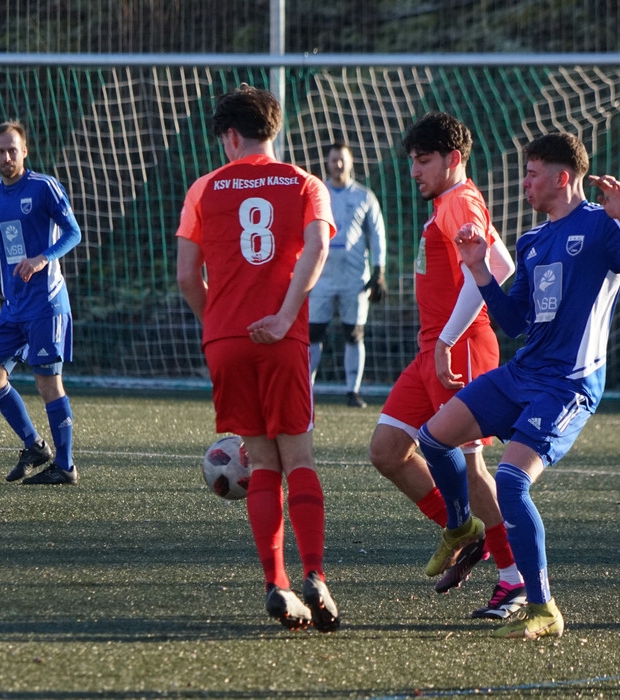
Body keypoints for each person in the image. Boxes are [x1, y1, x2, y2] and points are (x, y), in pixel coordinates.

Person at [418, 132, 620, 639]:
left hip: (567, 384)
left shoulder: (602, 226)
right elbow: (516, 323)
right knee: (432, 438)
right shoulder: (532, 241)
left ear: (562, 177)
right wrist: (479, 270)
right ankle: (461, 526)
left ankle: (542, 607)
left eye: (532, 175)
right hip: (523, 373)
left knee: (511, 482)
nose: (524, 184)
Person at [176, 84, 340, 633]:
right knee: (299, 458)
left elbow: (185, 276)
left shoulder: (204, 187)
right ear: (273, 128)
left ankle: (278, 584)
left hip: (225, 340)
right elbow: (317, 248)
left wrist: (219, 325)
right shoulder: (306, 183)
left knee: (263, 464)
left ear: (230, 136)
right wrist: (285, 315)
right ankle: (315, 574)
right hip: (283, 336)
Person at [368, 112, 526, 619]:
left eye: (424, 160)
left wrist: (448, 339)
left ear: (453, 159)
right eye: (412, 161)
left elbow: (496, 266)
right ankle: (464, 531)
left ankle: (515, 579)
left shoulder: (458, 200)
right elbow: (501, 258)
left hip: (457, 349)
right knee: (388, 451)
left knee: (472, 467)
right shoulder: (450, 201)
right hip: (432, 350)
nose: (414, 170)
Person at [0, 121, 81, 486]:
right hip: (13, 307)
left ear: (24, 151)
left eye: (12, 150)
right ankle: (35, 446)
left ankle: (65, 466)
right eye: (0, 151)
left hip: (46, 303)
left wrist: (43, 258)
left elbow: (73, 232)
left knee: (48, 383)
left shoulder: (44, 187)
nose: (6, 157)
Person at [308, 142, 387, 408]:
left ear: (351, 162)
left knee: (354, 333)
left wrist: (379, 270)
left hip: (354, 279)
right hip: (320, 276)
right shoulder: (317, 193)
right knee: (313, 334)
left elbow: (377, 235)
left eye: (342, 160)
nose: (338, 165)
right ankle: (305, 390)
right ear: (327, 163)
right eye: (334, 160)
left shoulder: (365, 197)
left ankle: (352, 391)